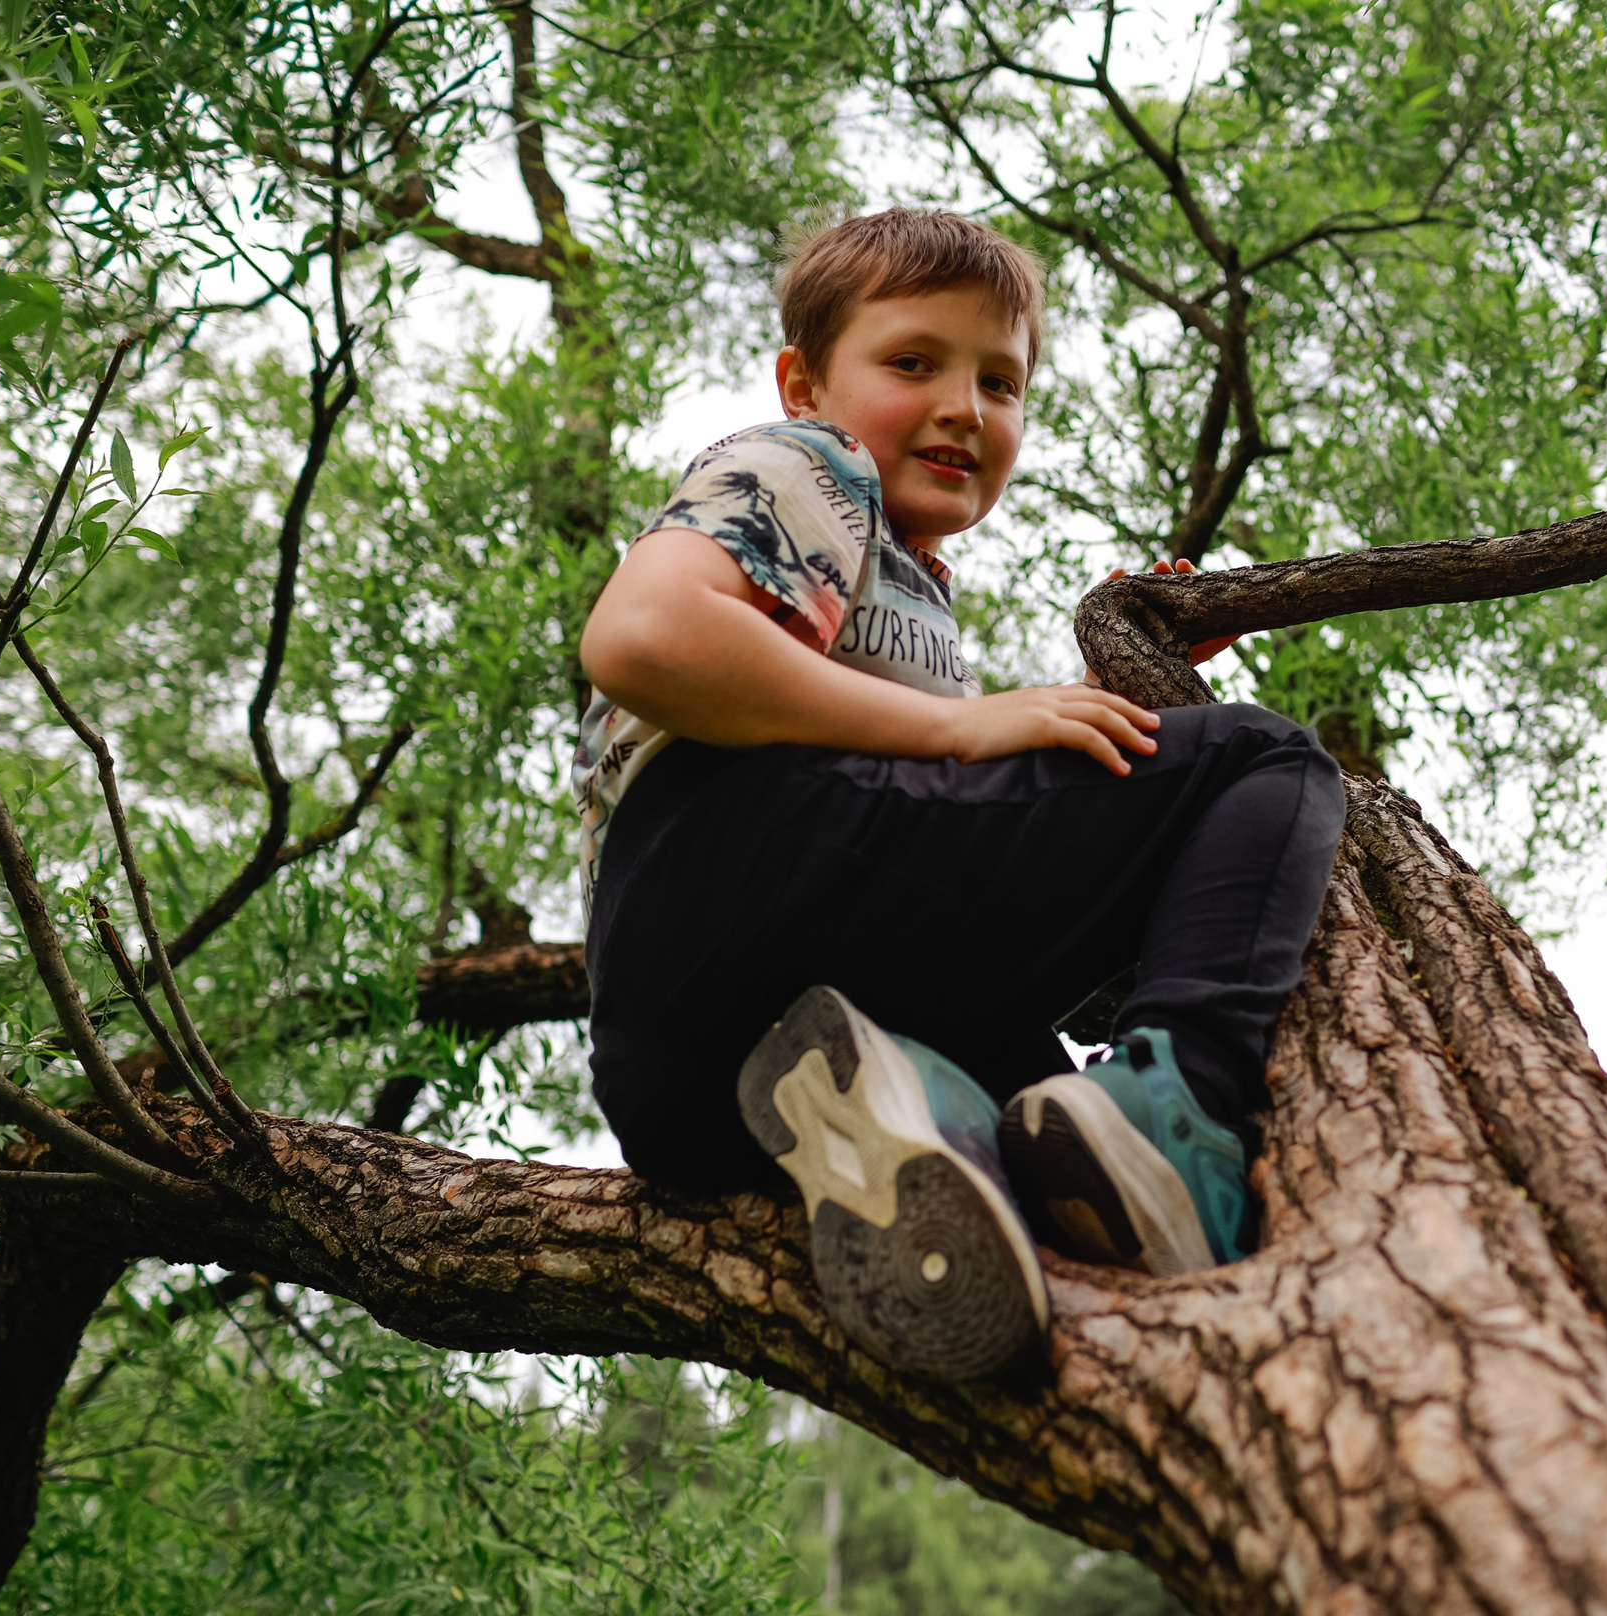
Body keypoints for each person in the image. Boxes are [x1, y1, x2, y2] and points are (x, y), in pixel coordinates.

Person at [574, 208, 1343, 1381]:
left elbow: (956, 832)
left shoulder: (911, 599)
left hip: (690, 1081)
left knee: (1053, 1116)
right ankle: (1184, 1091)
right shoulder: (812, 464)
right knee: (1264, 762)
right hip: (725, 859)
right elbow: (642, 635)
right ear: (804, 382)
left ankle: (916, 1129)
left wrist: (1103, 715)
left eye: (1002, 383)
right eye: (912, 363)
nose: (964, 408)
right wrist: (976, 725)